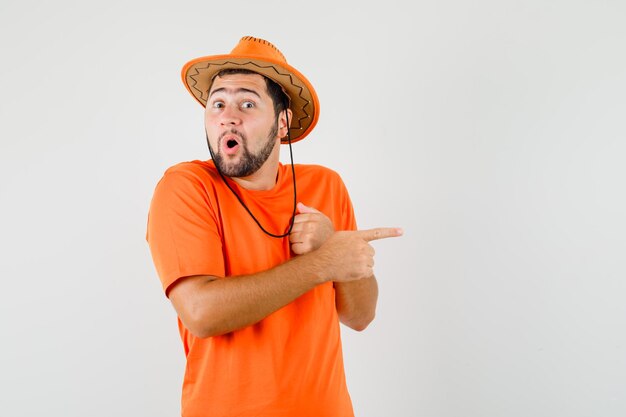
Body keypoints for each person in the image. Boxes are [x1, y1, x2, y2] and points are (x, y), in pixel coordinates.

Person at [146, 36, 402, 417]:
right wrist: (321, 265)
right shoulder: (186, 188)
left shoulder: (326, 186)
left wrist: (333, 244)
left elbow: (360, 315)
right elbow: (201, 313)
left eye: (247, 103)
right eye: (218, 103)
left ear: (282, 123)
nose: (227, 116)